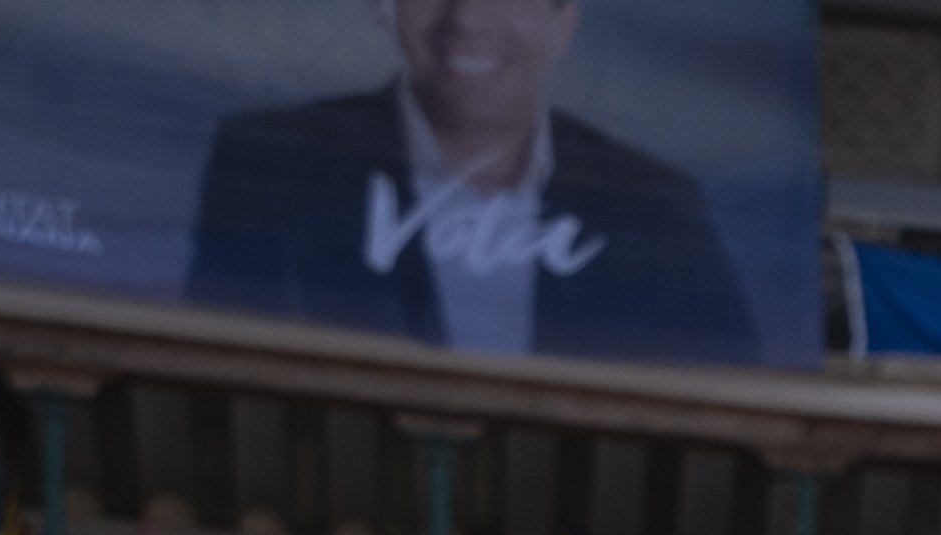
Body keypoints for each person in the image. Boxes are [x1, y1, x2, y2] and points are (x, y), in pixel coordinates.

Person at [182, 0, 767, 360]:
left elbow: (735, 398)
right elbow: (211, 383)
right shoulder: (275, 163)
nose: (465, 18)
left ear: (563, 21)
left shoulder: (654, 207)